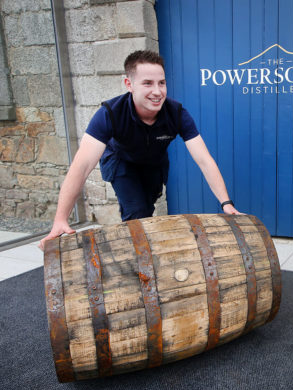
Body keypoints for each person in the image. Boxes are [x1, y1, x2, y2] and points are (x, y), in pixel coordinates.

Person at [39, 50, 240, 250]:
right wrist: (60, 219)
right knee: (137, 213)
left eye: (161, 83)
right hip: (121, 162)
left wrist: (226, 203)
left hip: (154, 164)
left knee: (146, 210)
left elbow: (204, 160)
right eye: (147, 83)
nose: (157, 91)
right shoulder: (109, 114)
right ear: (129, 85)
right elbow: (81, 167)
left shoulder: (177, 114)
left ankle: (137, 247)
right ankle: (138, 265)